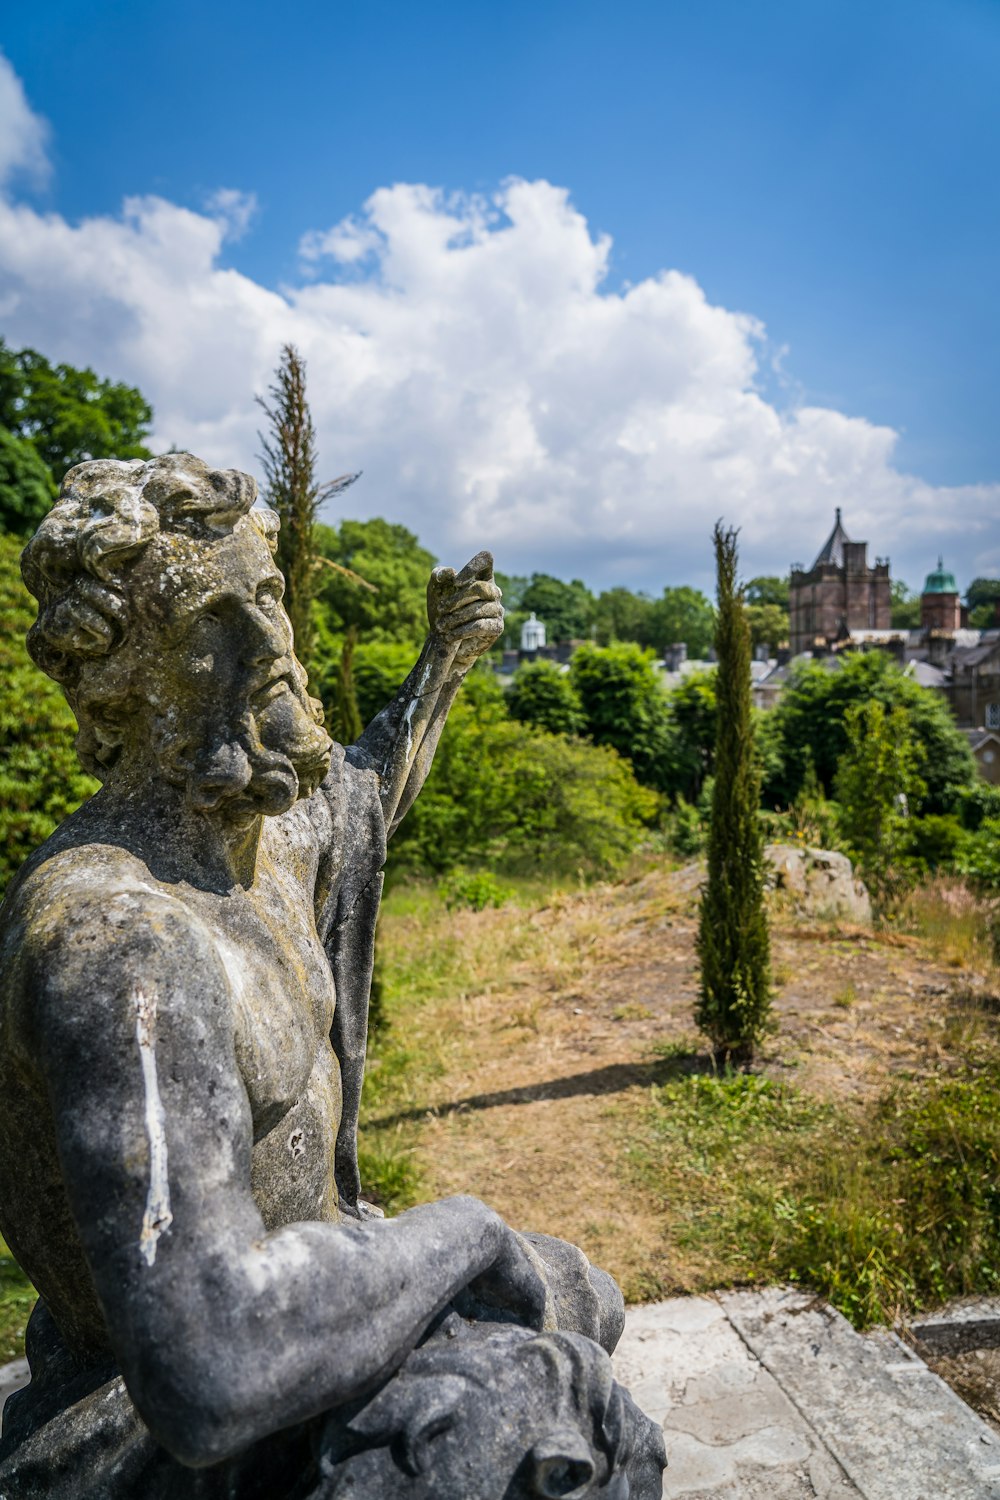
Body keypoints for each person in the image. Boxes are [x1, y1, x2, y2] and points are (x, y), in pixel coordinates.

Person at [0, 454, 662, 1497]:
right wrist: (461, 1235)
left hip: (310, 1284)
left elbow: (366, 791)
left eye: (268, 598)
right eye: (214, 622)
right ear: (115, 676)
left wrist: (442, 662)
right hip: (146, 1428)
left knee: (590, 1297)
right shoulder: (117, 938)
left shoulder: (262, 846)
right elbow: (206, 1367)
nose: (271, 643)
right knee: (541, 1412)